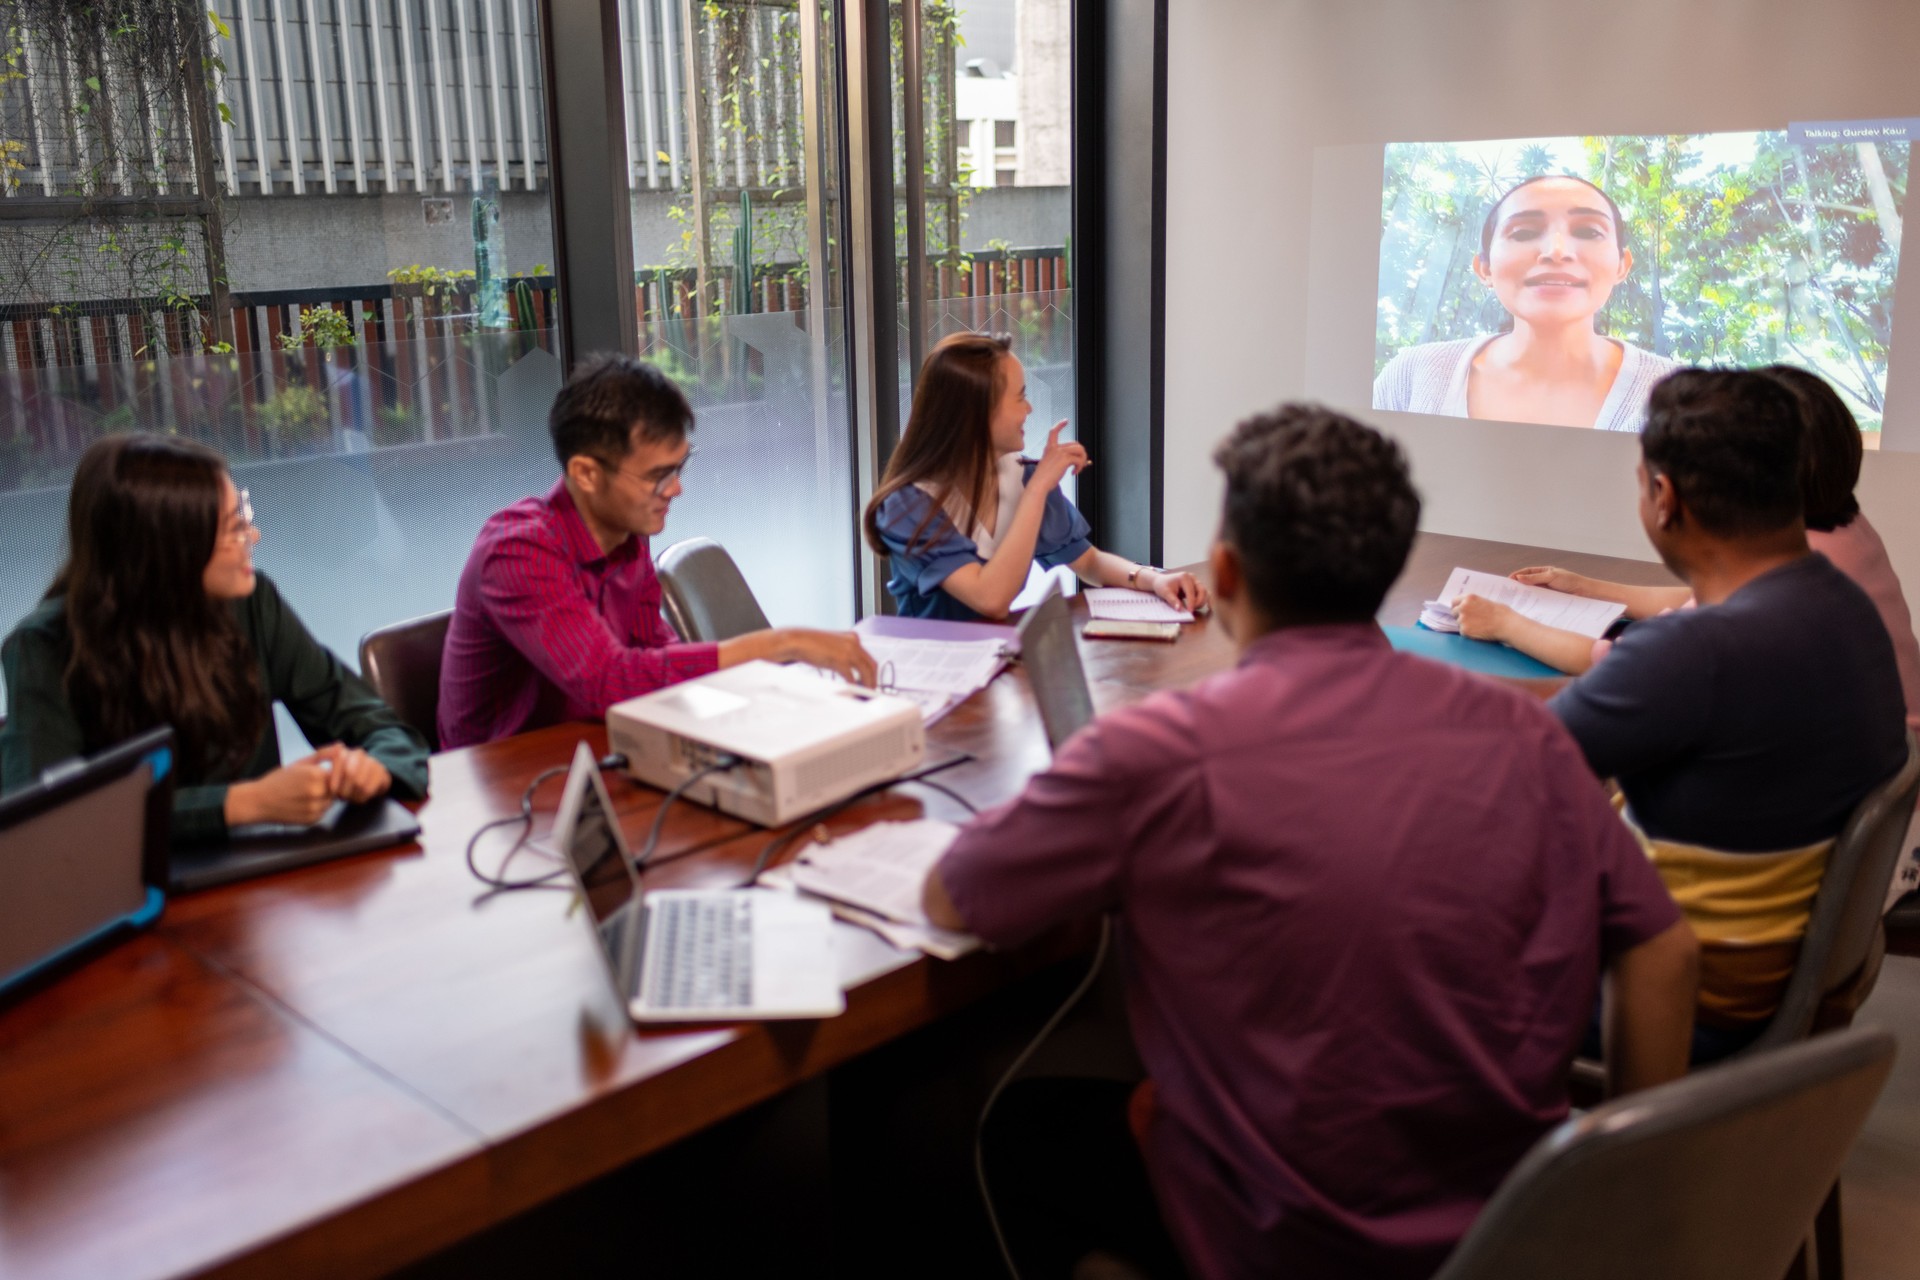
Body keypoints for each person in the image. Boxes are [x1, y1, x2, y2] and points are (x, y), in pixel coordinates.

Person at [920, 405, 1698, 1280]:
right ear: (1387, 566)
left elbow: (961, 895)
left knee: (1007, 1132)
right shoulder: (1528, 737)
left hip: (1282, 1239)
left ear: (1225, 569)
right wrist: (1628, 1186)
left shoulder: (1160, 750)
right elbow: (1663, 947)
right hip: (1510, 1224)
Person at [1547, 369, 1908, 1062]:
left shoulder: (1694, 653)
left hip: (1675, 996)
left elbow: (1505, 775)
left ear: (1663, 496)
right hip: (1775, 978)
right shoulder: (1844, 605)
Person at [0, 435, 428, 845]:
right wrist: (241, 804)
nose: (253, 537)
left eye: (244, 515)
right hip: (126, 896)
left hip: (258, 877)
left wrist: (373, 768)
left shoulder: (254, 604)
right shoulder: (45, 647)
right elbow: (45, 817)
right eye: (231, 528)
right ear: (165, 551)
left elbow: (378, 726)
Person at [438, 353, 877, 750]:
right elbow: (609, 680)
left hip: (598, 750)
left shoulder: (627, 531)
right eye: (658, 475)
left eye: (680, 467)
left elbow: (652, 649)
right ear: (586, 473)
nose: (677, 488)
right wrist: (783, 643)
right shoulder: (518, 551)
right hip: (502, 786)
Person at [1454, 365, 1920, 697]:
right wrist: (1584, 586)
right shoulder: (1840, 530)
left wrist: (1506, 623)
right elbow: (1698, 603)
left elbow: (1615, 666)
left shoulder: (1792, 572)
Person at [863, 332, 1207, 621]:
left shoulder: (1022, 477)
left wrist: (1153, 579)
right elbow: (991, 598)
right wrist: (1040, 487)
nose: (1029, 409)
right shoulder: (906, 506)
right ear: (977, 414)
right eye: (1020, 397)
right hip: (930, 678)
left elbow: (1088, 561)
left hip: (994, 665)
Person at [1374, 174, 1685, 432]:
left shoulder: (1682, 397)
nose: (1556, 251)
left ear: (1622, 265)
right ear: (1485, 268)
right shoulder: (1412, 375)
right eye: (1523, 232)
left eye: (1589, 231)